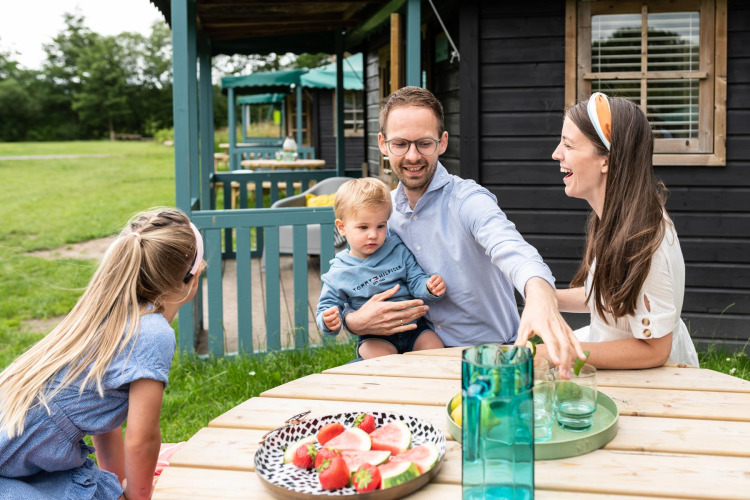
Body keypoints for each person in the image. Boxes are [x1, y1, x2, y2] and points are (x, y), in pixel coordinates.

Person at [342, 86, 585, 376]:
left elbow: (513, 249)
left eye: (424, 143)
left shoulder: (469, 200)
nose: (412, 156)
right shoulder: (382, 215)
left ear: (442, 143)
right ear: (383, 144)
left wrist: (541, 294)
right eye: (400, 144)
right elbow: (351, 280)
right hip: (411, 356)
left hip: (491, 359)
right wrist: (354, 322)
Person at [0, 208, 204, 500]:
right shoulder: (153, 334)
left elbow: (98, 412)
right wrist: (139, 497)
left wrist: (116, 485)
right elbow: (141, 440)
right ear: (192, 280)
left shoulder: (107, 312)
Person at [543, 92, 699, 368]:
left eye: (568, 145)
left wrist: (564, 351)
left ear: (605, 159)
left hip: (654, 384)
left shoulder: (644, 240)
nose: (556, 154)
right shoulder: (616, 218)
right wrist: (544, 299)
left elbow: (655, 350)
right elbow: (609, 300)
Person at [316, 177, 446, 359]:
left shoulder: (396, 249)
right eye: (363, 227)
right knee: (380, 362)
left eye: (380, 226)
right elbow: (326, 307)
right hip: (376, 338)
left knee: (435, 349)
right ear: (342, 227)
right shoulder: (338, 273)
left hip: (415, 329)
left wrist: (429, 287)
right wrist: (328, 321)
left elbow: (416, 280)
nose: (373, 235)